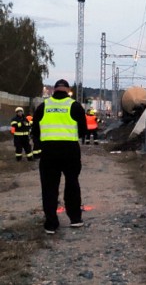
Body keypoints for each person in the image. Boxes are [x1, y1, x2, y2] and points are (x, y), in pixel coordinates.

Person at [32, 79, 87, 234]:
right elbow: (83, 131)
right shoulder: (75, 106)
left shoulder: (43, 106)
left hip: (49, 151)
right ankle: (75, 218)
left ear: (54, 90)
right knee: (72, 183)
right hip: (70, 150)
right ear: (67, 90)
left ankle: (51, 223)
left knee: (49, 187)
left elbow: (35, 131)